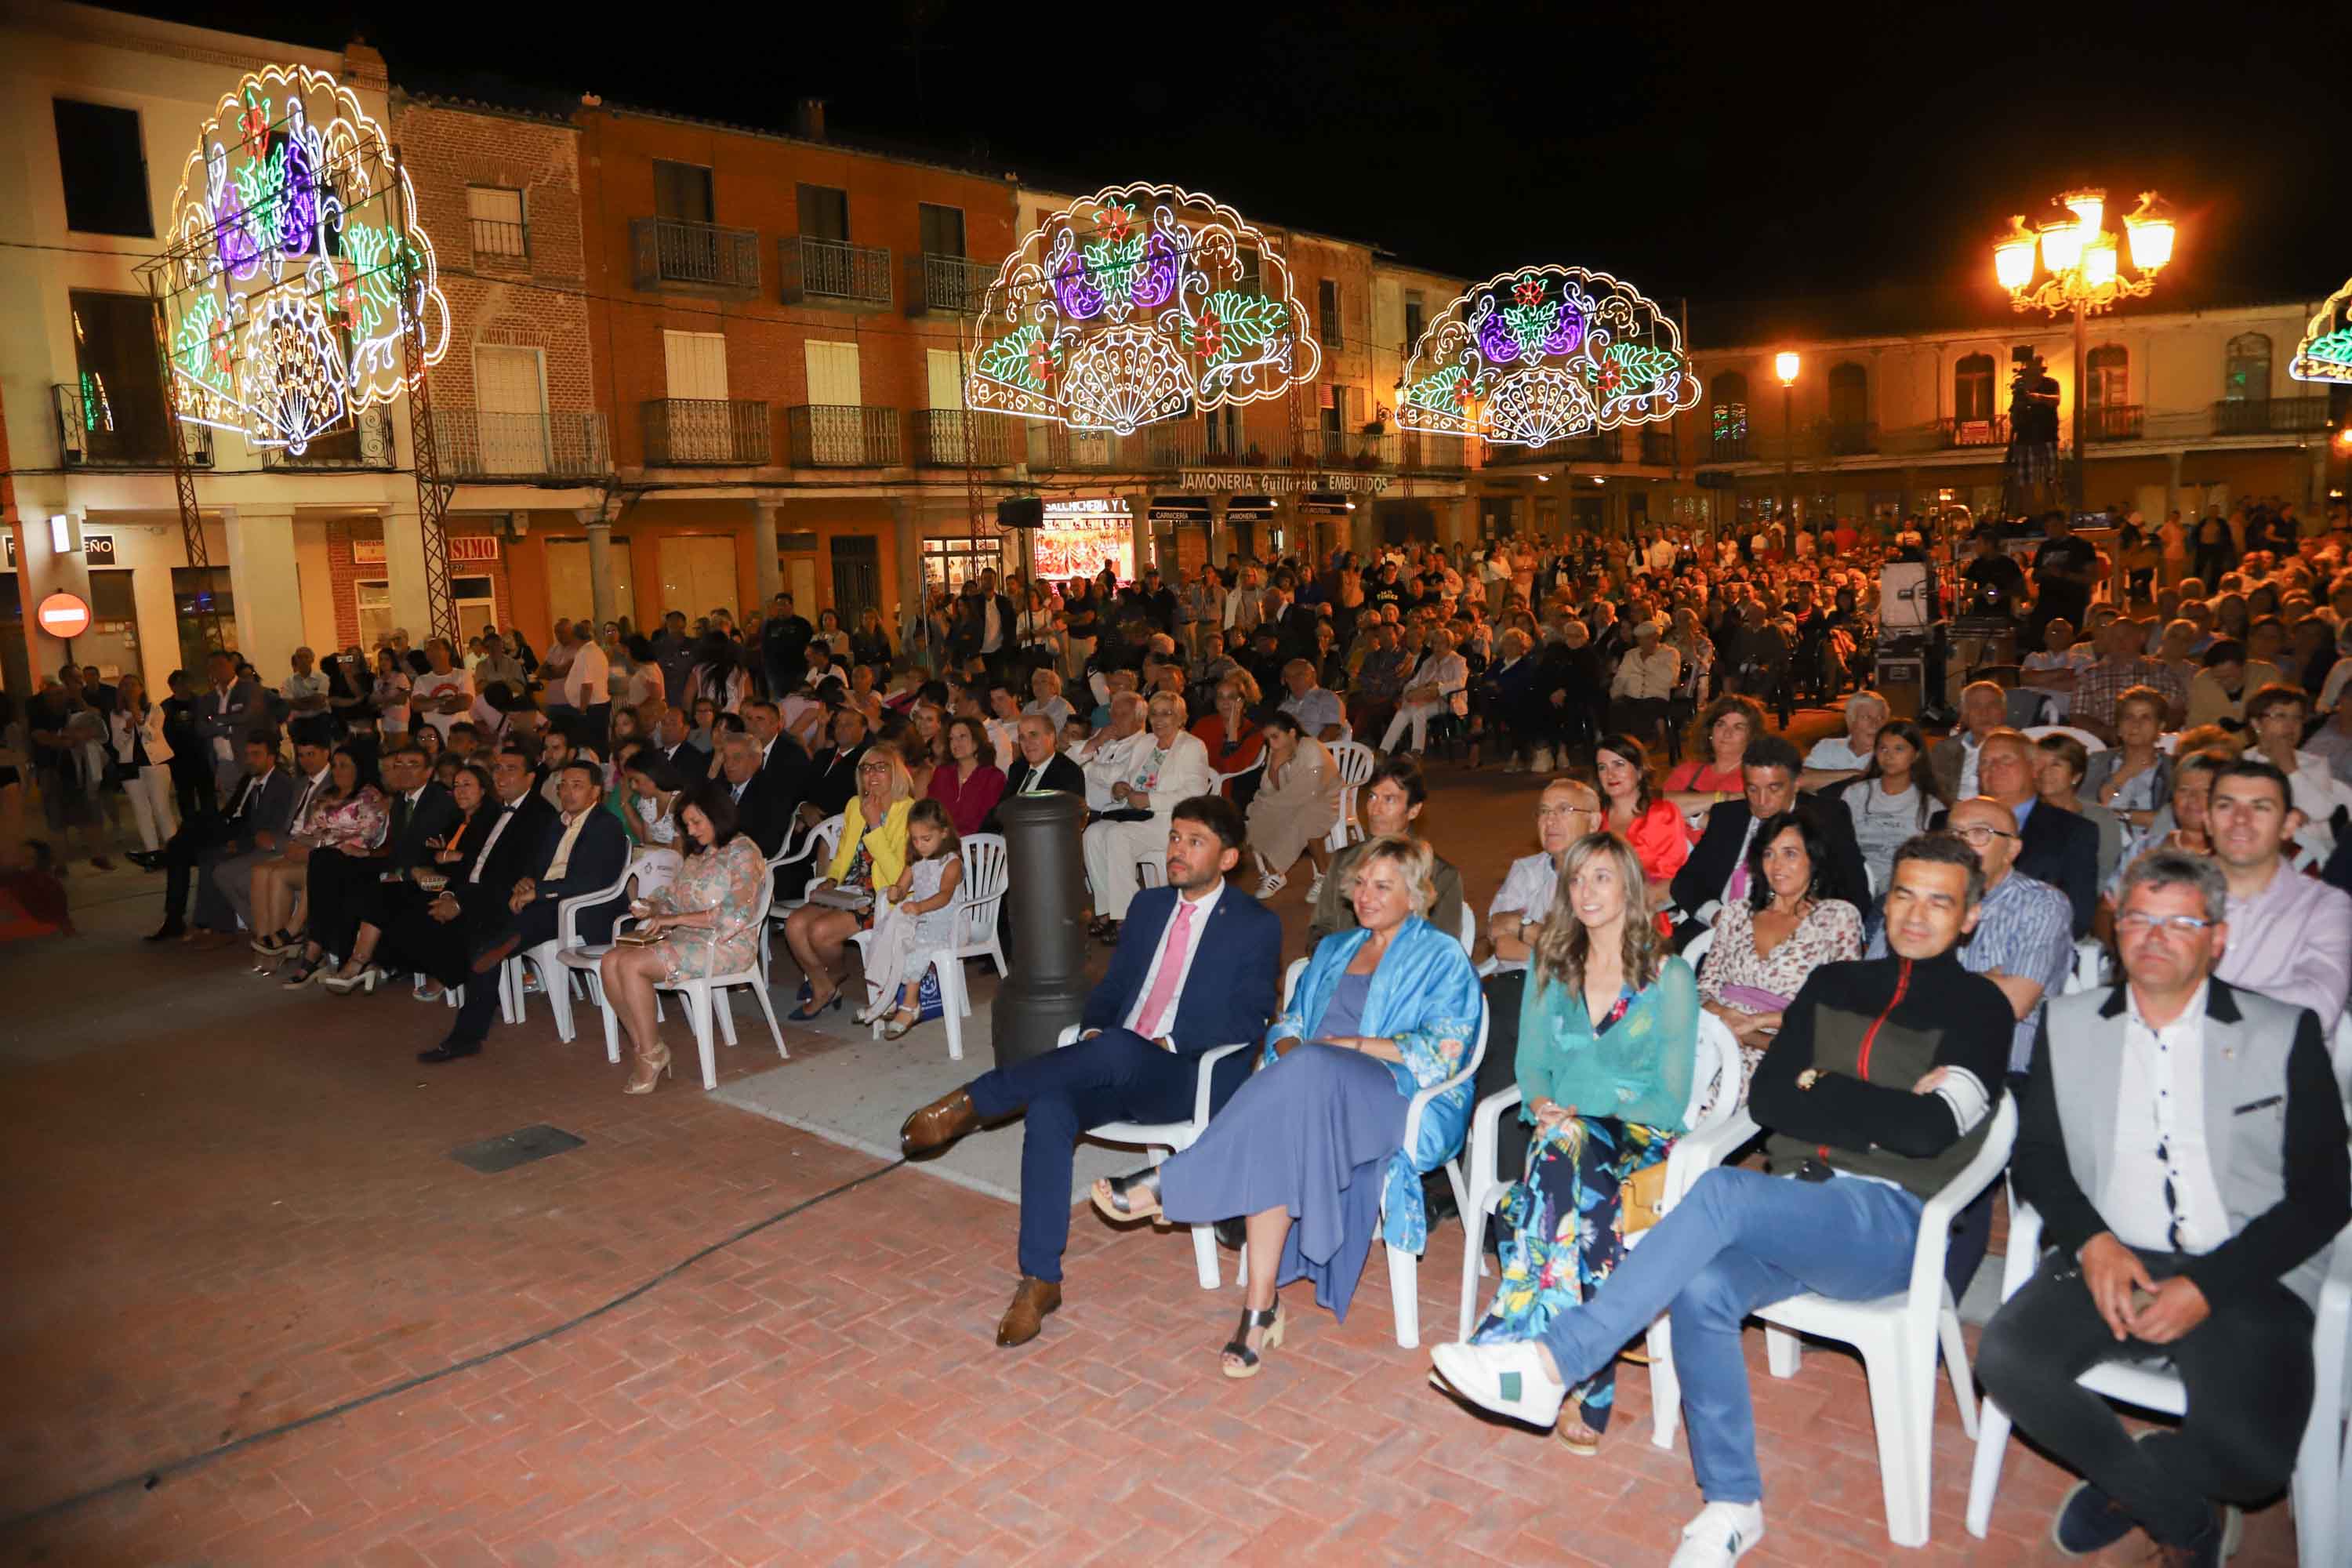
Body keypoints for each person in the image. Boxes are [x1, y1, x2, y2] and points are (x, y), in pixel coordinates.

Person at [1431, 833, 2013, 1568]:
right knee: (1702, 1287)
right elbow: (1771, 1096)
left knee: (1721, 1190)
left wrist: (1822, 1090)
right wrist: (1855, 1100)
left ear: (1971, 916)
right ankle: (1733, 1504)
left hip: (1891, 1223)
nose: (1917, 915)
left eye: (1940, 901)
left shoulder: (1981, 1009)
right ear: (1884, 900)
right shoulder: (1835, 984)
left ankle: (1555, 1361)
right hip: (1800, 1207)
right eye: (1904, 895)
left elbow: (1930, 1133)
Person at [1977, 850, 2350, 1568]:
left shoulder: (2283, 1031)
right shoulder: (2070, 1024)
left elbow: (2325, 1193)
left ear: (2216, 937)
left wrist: (2209, 1286)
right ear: (2117, 932)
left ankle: (2150, 1473)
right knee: (2007, 1357)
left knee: (2256, 1464)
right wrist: (2091, 1242)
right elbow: (2041, 1159)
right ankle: (2182, 1515)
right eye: (2139, 919)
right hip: (2118, 1250)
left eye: (2179, 921)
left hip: (2243, 1268)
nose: (2154, 936)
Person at [1091, 835, 1481, 1373]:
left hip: (1394, 1095)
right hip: (1309, 1091)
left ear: (1415, 897)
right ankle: (1259, 1311)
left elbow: (1447, 1048)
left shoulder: (1441, 955)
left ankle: (1176, 1181)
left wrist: (1348, 1048)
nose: (1364, 895)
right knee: (1281, 1124)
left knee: (1310, 1068)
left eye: (1382, 886)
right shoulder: (1335, 949)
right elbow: (1291, 1023)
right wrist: (1298, 1051)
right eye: (1360, 883)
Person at [898, 796, 1281, 1345]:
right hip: (1116, 1061)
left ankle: (975, 1102)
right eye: (1175, 837)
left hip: (1183, 1075)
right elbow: (1112, 990)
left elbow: (1250, 1018)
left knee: (1122, 1049)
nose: (1177, 850)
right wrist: (1096, 1029)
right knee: (1052, 1107)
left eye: (1194, 842)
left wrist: (1167, 1040)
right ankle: (1039, 1279)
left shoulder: (1253, 925)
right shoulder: (1149, 908)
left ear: (1227, 859)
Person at [1468, 830, 1700, 1453]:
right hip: (1565, 1137)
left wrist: (1576, 1116)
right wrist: (1544, 1106)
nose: (1587, 890)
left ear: (1629, 884)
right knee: (1566, 1159)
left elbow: (1670, 1098)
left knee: (1561, 1156)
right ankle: (1584, 1374)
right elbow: (1532, 1068)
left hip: (1640, 1136)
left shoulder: (1667, 976)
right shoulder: (1553, 967)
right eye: (1576, 878)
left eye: (1601, 876)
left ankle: (1508, 1340)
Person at [596, 785, 771, 1093]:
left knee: (632, 966)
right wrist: (653, 905)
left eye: (697, 822)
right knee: (611, 961)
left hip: (727, 943)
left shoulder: (743, 852)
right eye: (687, 824)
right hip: (688, 938)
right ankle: (647, 1049)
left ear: (718, 816)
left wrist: (672, 919)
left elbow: (735, 915)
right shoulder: (699, 855)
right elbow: (674, 895)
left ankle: (650, 1055)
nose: (691, 831)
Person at [388, 750, 558, 1062]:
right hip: (474, 891)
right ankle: (452, 975)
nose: (501, 775)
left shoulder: (538, 815)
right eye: (498, 769)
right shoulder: (499, 812)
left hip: (505, 901)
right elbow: (474, 865)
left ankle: (467, 1034)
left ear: (531, 778)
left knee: (481, 944)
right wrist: (451, 893)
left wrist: (459, 901)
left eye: (511, 769)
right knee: (406, 910)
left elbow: (512, 877)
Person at [1696, 811, 1864, 1097]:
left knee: (1704, 1097)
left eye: (1790, 854)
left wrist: (1756, 1025)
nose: (1777, 866)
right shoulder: (1737, 913)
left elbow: (1838, 1013)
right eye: (1769, 854)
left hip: (1781, 1048)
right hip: (1711, 1033)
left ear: (1813, 859)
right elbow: (1704, 989)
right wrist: (1722, 1016)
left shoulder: (1837, 917)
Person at [2205, 757, 2352, 1032]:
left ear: (2289, 825)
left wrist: (2194, 1003)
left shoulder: (2324, 907)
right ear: (2208, 821)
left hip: (2274, 1069)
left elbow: (2317, 1008)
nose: (2240, 820)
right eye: (2226, 806)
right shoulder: (2170, 897)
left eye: (2260, 808)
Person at [1672, 733, 1868, 931]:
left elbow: (1855, 894)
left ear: (1797, 782)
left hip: (1800, 933)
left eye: (1774, 789)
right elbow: (1686, 882)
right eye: (1753, 789)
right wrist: (1716, 915)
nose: (1762, 801)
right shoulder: (1728, 816)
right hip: (1721, 928)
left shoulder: (1828, 817)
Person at [781, 750, 915, 1018]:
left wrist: (875, 824)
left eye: (880, 767)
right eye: (865, 768)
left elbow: (897, 874)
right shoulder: (856, 804)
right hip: (850, 889)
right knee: (794, 925)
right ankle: (824, 986)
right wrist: (831, 879)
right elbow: (843, 855)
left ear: (896, 773)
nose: (871, 774)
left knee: (820, 932)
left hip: (885, 894)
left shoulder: (909, 811)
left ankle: (836, 972)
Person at [1080, 691, 1214, 939]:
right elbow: (1130, 779)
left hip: (1171, 819)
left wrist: (1149, 799)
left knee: (1118, 836)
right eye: (1155, 713)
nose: (1160, 719)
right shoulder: (1146, 743)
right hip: (1136, 815)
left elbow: (1194, 793)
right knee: (1092, 834)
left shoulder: (1192, 746)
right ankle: (1106, 909)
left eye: (1167, 713)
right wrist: (1120, 789)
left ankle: (1128, 916)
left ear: (1181, 718)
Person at [256, 745, 390, 983]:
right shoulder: (327, 795)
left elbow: (365, 837)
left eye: (344, 765)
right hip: (327, 859)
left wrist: (321, 841)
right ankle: (310, 947)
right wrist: (326, 841)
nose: (337, 771)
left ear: (359, 769)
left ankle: (302, 938)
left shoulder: (369, 796)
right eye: (336, 765)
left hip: (357, 862)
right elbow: (306, 832)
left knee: (322, 861)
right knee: (320, 862)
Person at [1307, 755, 1465, 947]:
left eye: (1389, 800)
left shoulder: (1440, 876)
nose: (1375, 809)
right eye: (1372, 797)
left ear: (1414, 810)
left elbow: (1442, 951)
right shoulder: (1343, 861)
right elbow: (1319, 928)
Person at [855, 797, 967, 1036]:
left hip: (948, 922)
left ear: (944, 833)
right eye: (915, 840)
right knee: (889, 937)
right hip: (922, 918)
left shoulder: (951, 863)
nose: (920, 845)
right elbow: (902, 887)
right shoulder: (916, 860)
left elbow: (945, 896)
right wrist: (897, 892)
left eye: (926, 839)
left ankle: (910, 1005)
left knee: (914, 948)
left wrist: (920, 907)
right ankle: (887, 998)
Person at [1486, 779, 1601, 974]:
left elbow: (1589, 952)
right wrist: (1562, 954)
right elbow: (1502, 944)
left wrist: (1520, 925)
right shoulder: (1526, 869)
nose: (1550, 820)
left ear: (1594, 822)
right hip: (1516, 982)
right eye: (1544, 811)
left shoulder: (1607, 876)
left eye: (1564, 809)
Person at [1834, 718, 1944, 894]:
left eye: (1899, 749)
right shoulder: (1855, 794)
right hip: (1855, 880)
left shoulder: (1931, 807)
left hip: (1904, 887)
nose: (1889, 756)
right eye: (1883, 748)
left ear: (1916, 755)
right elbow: (1839, 844)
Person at [1243, 710, 1338, 898]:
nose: (1272, 743)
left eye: (1276, 737)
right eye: (1268, 739)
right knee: (1260, 809)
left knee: (1305, 816)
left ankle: (1323, 876)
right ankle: (1276, 874)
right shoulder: (1276, 751)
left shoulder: (1311, 747)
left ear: (1292, 733)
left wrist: (1280, 805)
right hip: (1292, 800)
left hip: (1324, 799)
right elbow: (1270, 789)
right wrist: (1275, 767)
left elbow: (1311, 789)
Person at [1594, 732, 1690, 912]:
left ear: (1639, 771)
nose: (1610, 774)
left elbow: (1672, 876)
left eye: (1619, 764)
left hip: (1650, 909)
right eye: (1602, 767)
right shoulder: (1594, 819)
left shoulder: (1662, 814)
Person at [2034, 732, 2126, 888]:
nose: (2045, 771)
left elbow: (2108, 874)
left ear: (2076, 775)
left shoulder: (2100, 819)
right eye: (2039, 764)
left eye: (2056, 764)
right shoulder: (2025, 814)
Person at [1662, 695, 1767, 820]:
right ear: (1710, 732)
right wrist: (1724, 798)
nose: (1727, 733)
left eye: (1738, 727)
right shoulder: (1687, 771)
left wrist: (1695, 819)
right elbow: (1658, 807)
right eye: (1721, 724)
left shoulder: (1757, 778)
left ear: (1751, 737)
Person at [109, 672, 176, 865]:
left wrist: (139, 718)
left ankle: (173, 850)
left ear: (141, 689)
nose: (130, 689)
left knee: (161, 807)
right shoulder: (116, 714)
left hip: (156, 764)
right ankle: (152, 852)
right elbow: (117, 744)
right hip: (130, 766)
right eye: (125, 685)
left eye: (133, 685)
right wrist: (127, 729)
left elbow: (154, 736)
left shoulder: (155, 709)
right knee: (141, 810)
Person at [1378, 626, 1467, 757]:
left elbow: (1461, 683)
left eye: (1441, 643)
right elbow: (1414, 682)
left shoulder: (1458, 660)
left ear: (1449, 644)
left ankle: (1417, 751)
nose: (1437, 647)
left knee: (1420, 712)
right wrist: (1409, 692)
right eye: (1435, 643)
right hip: (1425, 699)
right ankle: (1384, 750)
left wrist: (1439, 688)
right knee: (1403, 713)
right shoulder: (1428, 662)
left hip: (1448, 701)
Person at [924, 715, 1004, 838]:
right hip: (942, 844)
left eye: (962, 736)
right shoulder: (942, 773)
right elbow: (930, 812)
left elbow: (988, 822)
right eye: (952, 738)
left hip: (976, 845)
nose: (955, 743)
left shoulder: (993, 777)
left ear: (977, 740)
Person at [1928, 679, 2006, 803]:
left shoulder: (2018, 749)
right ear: (1964, 714)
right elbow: (1933, 794)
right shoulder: (1944, 750)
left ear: (2003, 712)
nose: (1984, 713)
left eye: (1992, 705)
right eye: (1976, 706)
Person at [996, 713, 1083, 808]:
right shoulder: (1017, 768)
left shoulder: (1069, 774)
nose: (1027, 743)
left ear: (1052, 737)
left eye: (1033, 735)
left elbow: (1064, 818)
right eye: (1022, 737)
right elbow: (1000, 809)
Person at [408, 639, 474, 742]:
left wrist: (431, 705)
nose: (432, 652)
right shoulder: (422, 680)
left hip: (462, 736)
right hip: (436, 739)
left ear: (448, 652)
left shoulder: (463, 675)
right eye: (428, 650)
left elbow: (464, 703)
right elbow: (417, 705)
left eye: (436, 648)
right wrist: (443, 700)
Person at [1276, 658, 1346, 745]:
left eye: (1300, 675)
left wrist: (1307, 751)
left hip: (1314, 753)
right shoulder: (1284, 707)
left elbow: (1332, 731)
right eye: (1289, 677)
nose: (1294, 681)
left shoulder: (1327, 697)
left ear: (1313, 676)